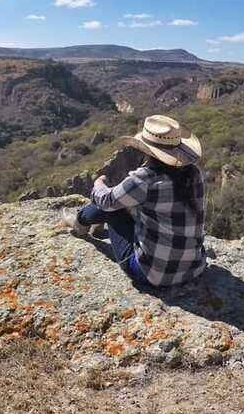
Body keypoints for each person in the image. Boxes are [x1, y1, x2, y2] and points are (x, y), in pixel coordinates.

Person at [62, 115, 206, 287]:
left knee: (111, 204)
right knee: (123, 200)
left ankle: (80, 223)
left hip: (151, 274)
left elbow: (106, 201)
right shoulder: (194, 174)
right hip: (195, 267)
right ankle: (90, 223)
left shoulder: (145, 179)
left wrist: (98, 184)